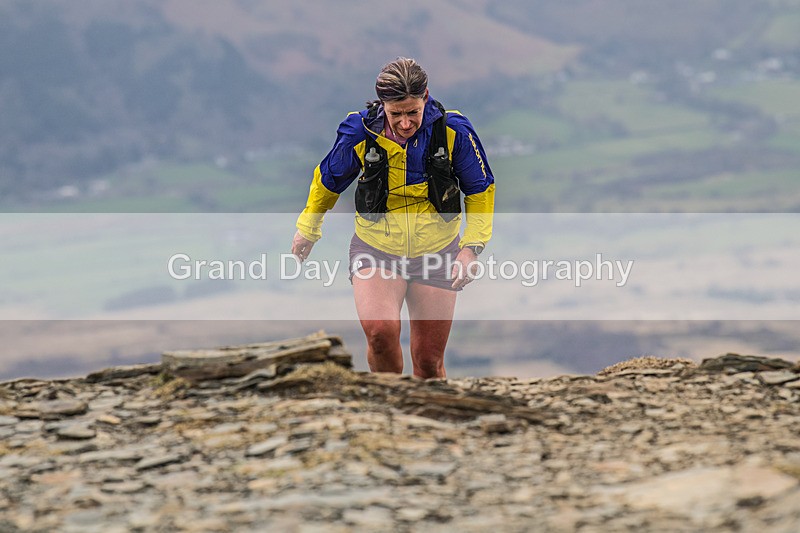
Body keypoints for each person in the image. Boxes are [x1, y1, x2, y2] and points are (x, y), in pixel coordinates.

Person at [291, 57, 494, 378]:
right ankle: (391, 410)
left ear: (425, 98)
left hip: (438, 251)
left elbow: (480, 191)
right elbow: (327, 181)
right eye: (395, 113)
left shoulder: (453, 130)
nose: (404, 123)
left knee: (428, 361)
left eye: (412, 112)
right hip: (376, 249)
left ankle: (431, 420)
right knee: (380, 335)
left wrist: (471, 248)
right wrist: (308, 228)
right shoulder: (359, 131)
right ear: (382, 105)